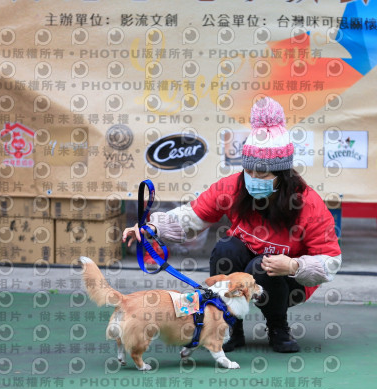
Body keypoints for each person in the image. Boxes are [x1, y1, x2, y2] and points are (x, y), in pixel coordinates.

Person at [123, 96, 342, 353]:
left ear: (282, 175)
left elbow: (330, 260)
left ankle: (278, 326)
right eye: (249, 171)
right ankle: (229, 328)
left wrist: (294, 265)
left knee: (262, 265)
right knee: (226, 248)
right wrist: (152, 228)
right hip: (244, 267)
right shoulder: (233, 187)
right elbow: (192, 215)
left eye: (262, 173)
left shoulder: (308, 204)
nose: (253, 178)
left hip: (288, 280)